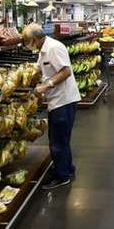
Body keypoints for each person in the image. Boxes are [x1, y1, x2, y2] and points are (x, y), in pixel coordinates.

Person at [22, 23, 80, 190]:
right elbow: (42, 69)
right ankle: (67, 168)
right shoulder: (43, 51)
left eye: (27, 40)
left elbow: (66, 71)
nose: (26, 44)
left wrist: (47, 85)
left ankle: (62, 176)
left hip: (63, 100)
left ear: (34, 39)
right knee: (62, 139)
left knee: (57, 141)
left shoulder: (54, 48)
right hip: (57, 100)